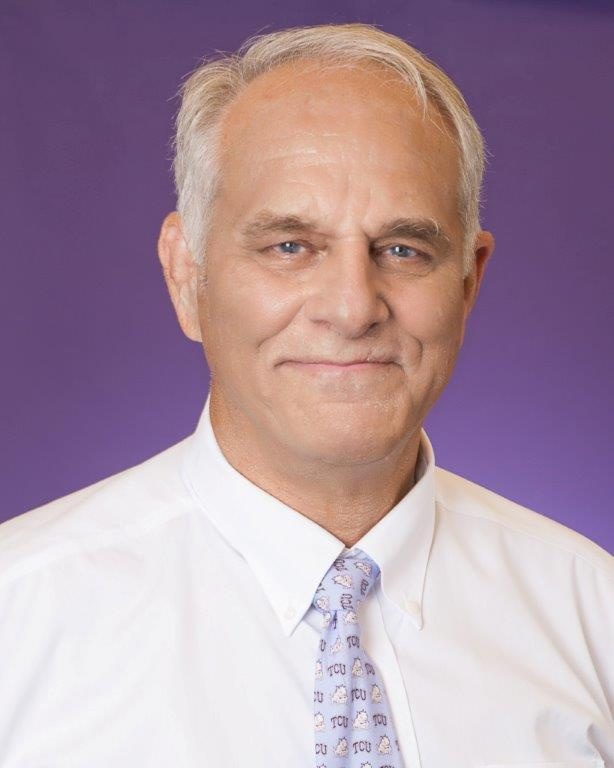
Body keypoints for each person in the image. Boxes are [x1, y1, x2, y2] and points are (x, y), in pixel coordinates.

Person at [1, 22, 612, 768]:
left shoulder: (593, 616)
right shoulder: (18, 619)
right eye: (289, 246)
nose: (353, 309)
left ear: (468, 282)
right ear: (186, 275)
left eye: (403, 249)